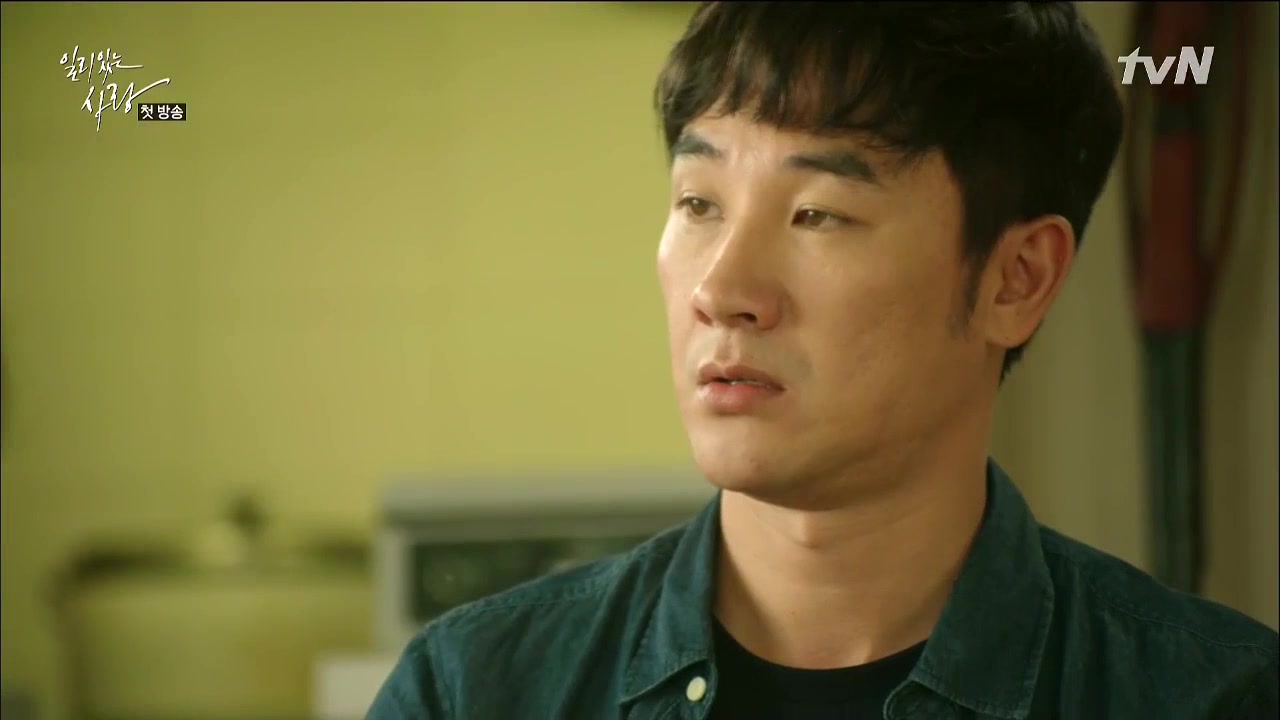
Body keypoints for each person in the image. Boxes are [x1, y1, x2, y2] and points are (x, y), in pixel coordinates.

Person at [368, 3, 1279, 718]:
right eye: (698, 202)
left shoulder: (1209, 697)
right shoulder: (474, 689)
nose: (722, 289)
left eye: (817, 214)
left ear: (1016, 279)